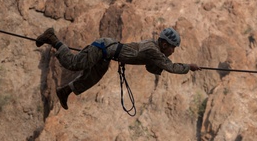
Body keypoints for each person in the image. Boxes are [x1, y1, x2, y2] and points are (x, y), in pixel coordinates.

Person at [35, 26, 199, 109]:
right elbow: (170, 67)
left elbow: (151, 68)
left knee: (91, 78)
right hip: (103, 49)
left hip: (107, 53)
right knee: (74, 63)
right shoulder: (153, 50)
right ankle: (53, 38)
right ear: (164, 44)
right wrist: (189, 67)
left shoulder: (153, 48)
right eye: (172, 47)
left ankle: (65, 91)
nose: (173, 51)